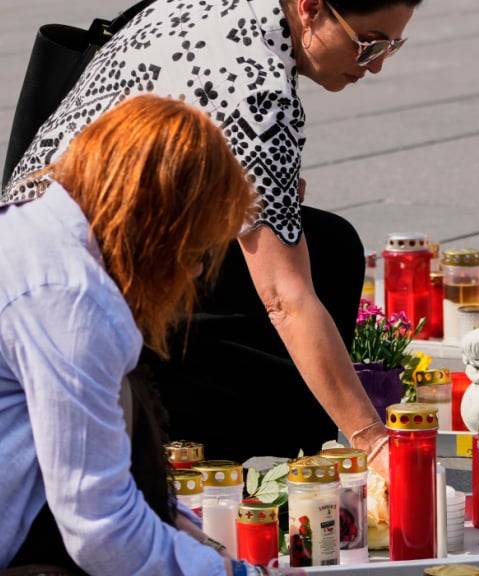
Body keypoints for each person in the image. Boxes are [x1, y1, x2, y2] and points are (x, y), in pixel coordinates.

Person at [3, 0, 423, 473]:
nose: (378, 64)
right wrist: (374, 442)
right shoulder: (258, 89)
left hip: (29, 224)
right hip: (80, 278)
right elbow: (285, 298)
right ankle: (283, 475)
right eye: (368, 43)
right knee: (320, 265)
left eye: (392, 45)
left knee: (322, 242)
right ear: (309, 9)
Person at [0, 95, 285, 574]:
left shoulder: (34, 232)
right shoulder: (73, 300)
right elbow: (102, 529)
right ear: (155, 231)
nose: (194, 270)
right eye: (196, 249)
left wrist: (183, 531)